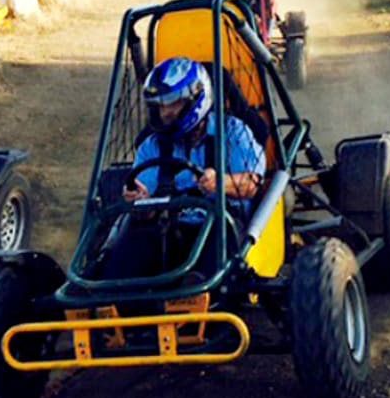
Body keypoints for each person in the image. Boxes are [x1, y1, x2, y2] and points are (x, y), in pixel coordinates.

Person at [99, 57, 266, 281]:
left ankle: (198, 297)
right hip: (167, 225)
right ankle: (111, 299)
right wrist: (138, 201)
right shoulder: (153, 144)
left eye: (172, 103)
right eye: (159, 105)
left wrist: (220, 182)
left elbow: (252, 185)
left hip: (220, 225)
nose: (164, 113)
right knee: (127, 252)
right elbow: (144, 202)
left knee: (215, 250)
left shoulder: (233, 132)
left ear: (196, 98)